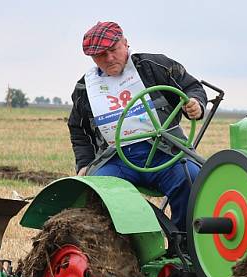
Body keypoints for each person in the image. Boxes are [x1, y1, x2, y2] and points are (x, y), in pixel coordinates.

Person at [68, 21, 206, 230]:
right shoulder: (85, 88)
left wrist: (195, 104)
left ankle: (185, 244)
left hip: (164, 152)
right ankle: (118, 249)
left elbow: (191, 87)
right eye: (100, 55)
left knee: (191, 179)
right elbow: (78, 128)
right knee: (95, 191)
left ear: (125, 42)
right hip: (116, 159)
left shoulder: (154, 66)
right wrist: (84, 163)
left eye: (113, 50)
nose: (109, 58)